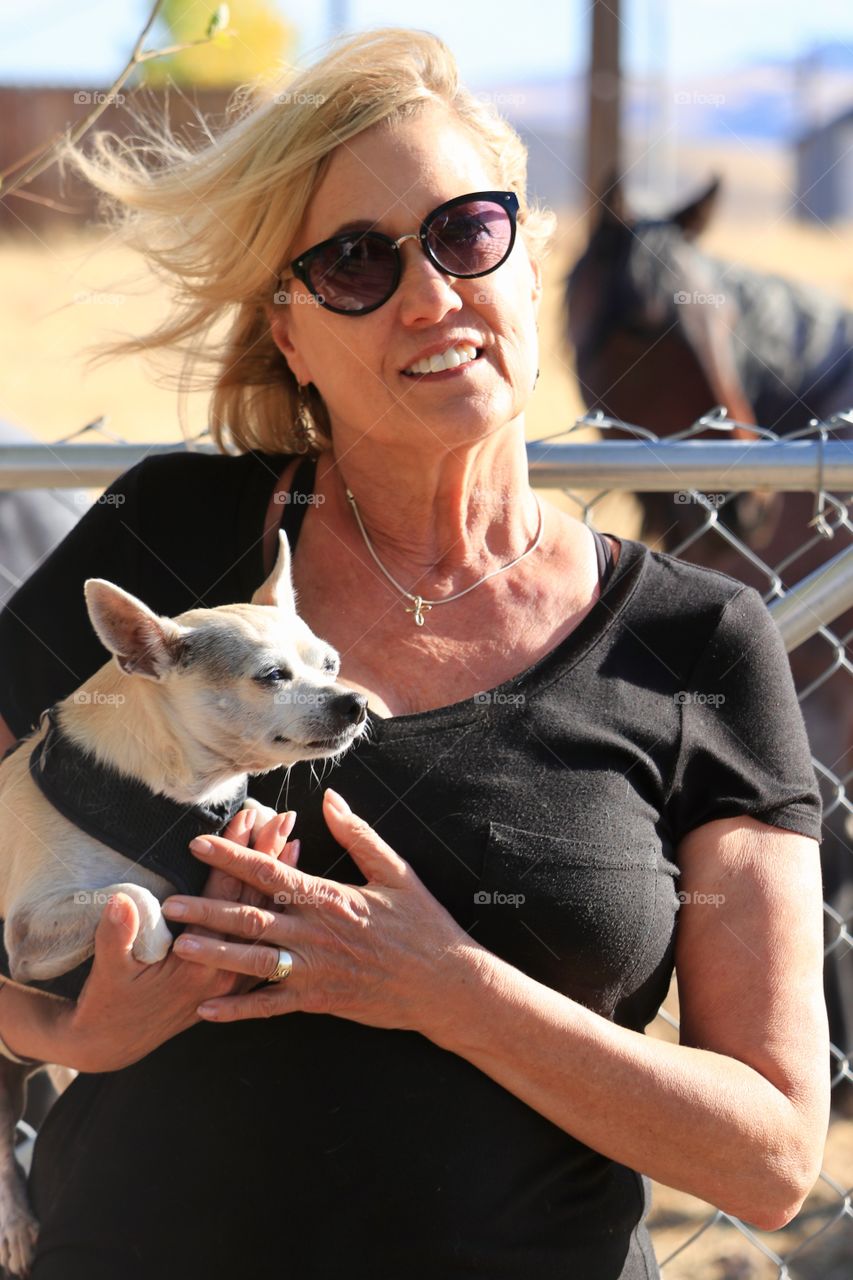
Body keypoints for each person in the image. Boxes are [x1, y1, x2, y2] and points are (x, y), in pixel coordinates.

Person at [0, 28, 829, 1280]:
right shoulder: (172, 544)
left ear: (527, 254)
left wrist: (448, 985)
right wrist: (69, 1027)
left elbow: (768, 1159)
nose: (430, 294)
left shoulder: (695, 644)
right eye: (353, 264)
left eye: (465, 232)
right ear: (290, 333)